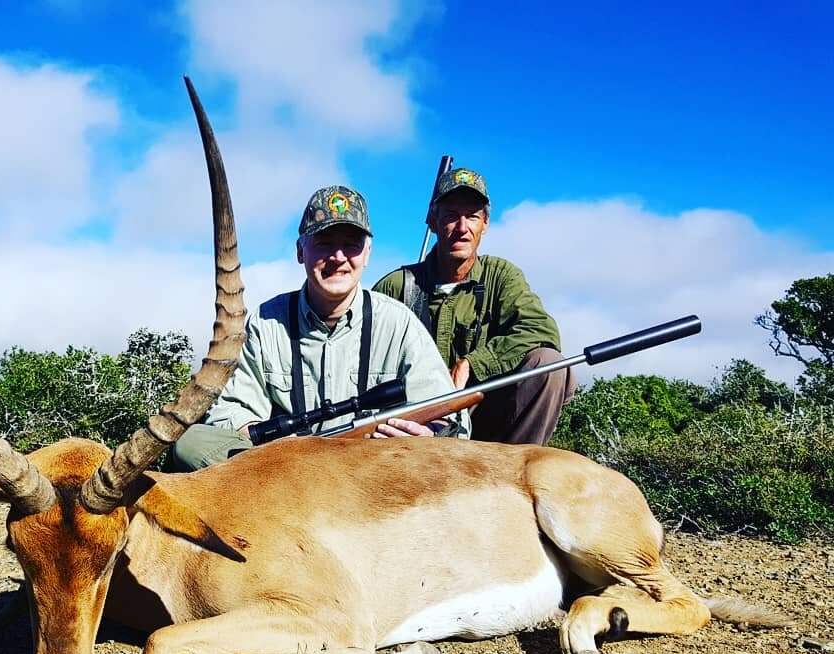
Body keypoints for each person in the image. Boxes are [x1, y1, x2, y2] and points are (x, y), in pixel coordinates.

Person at [169, 185, 466, 471]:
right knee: (189, 443)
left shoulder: (398, 323)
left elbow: (452, 418)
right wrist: (272, 444)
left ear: (367, 253)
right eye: (324, 243)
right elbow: (229, 413)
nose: (338, 258)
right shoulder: (267, 322)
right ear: (301, 251)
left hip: (377, 471)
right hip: (292, 472)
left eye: (351, 245)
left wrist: (429, 438)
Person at [372, 167, 575, 446]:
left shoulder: (502, 275)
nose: (462, 227)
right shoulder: (396, 286)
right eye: (451, 216)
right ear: (432, 221)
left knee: (548, 364)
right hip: (414, 419)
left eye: (472, 217)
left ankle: (513, 473)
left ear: (486, 224)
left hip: (483, 412)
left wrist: (473, 364)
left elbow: (540, 330)